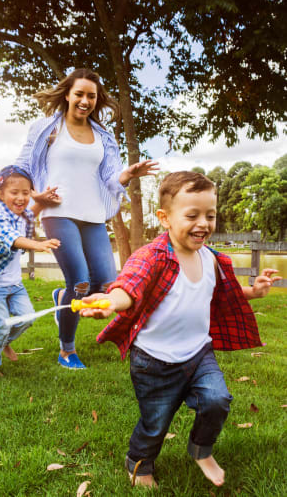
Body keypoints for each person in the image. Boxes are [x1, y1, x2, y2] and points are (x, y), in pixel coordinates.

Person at [80, 171, 282, 488]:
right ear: (165, 218)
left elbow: (223, 292)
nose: (203, 223)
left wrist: (253, 292)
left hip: (198, 354)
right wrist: (111, 301)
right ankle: (139, 463)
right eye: (192, 215)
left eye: (210, 215)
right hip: (153, 362)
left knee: (217, 400)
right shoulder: (152, 256)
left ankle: (201, 450)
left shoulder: (213, 260)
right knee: (155, 423)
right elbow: (129, 286)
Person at [14, 68, 159, 369]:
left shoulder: (104, 136)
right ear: (67, 94)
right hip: (58, 212)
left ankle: (61, 298)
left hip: (93, 213)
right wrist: (33, 197)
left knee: (107, 284)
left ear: (97, 99)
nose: (85, 100)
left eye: (91, 96)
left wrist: (128, 174)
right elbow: (23, 165)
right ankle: (67, 349)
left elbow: (110, 177)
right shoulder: (47, 129)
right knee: (80, 282)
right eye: (79, 94)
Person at [0, 165, 60, 377]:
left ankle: (1, 341)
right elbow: (13, 239)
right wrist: (37, 244)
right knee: (0, 324)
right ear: (0, 194)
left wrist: (40, 201)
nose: (21, 198)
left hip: (14, 284)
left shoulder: (20, 214)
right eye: (14, 193)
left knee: (27, 318)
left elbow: (30, 213)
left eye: (25, 193)